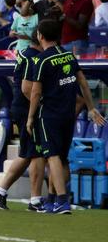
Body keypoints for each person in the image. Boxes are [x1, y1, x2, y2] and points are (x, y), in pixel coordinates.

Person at [26, 19, 106, 213]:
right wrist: (91, 107)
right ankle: (53, 199)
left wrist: (30, 117)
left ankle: (62, 200)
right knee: (61, 159)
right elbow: (83, 83)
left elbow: (35, 93)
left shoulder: (43, 59)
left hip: (49, 115)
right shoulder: (68, 55)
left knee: (51, 157)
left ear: (40, 36)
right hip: (68, 115)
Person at [0, 31, 44, 211]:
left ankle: (5, 192)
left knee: (31, 153)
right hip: (26, 109)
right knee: (32, 153)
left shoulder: (27, 54)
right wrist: (38, 106)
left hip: (22, 108)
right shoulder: (32, 57)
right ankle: (27, 198)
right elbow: (27, 89)